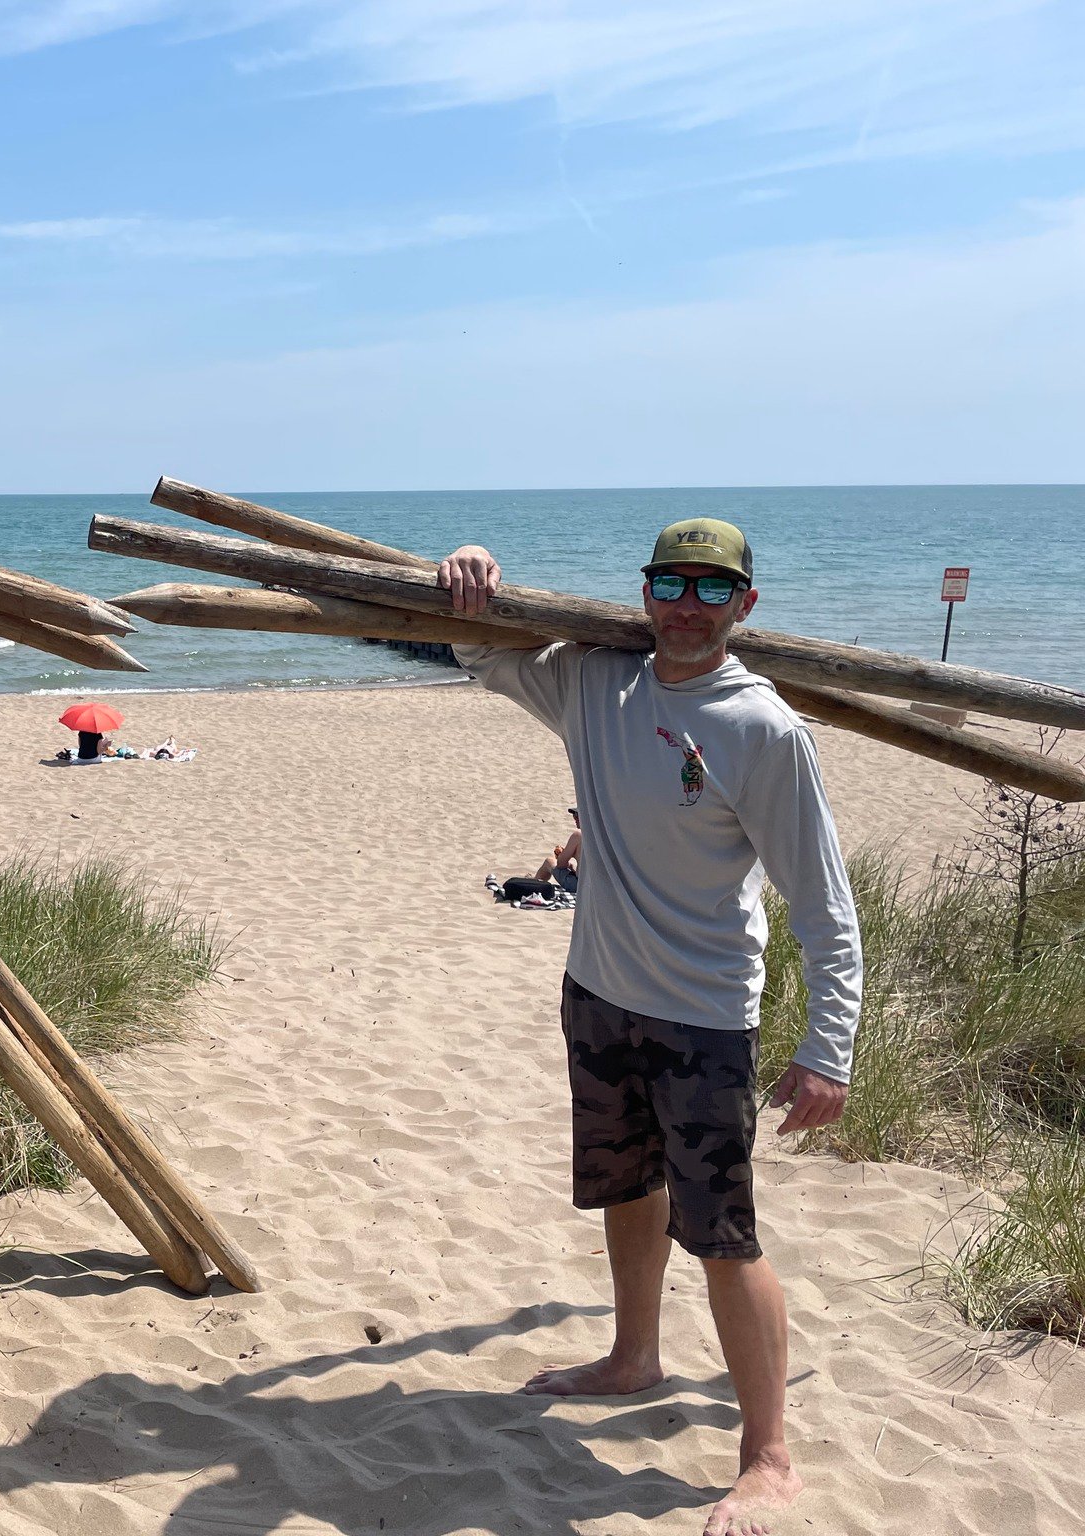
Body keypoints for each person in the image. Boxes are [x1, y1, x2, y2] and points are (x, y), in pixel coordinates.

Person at [439, 518, 861, 1536]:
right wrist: (469, 573)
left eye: (710, 590)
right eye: (668, 583)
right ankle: (633, 1358)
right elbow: (476, 651)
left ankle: (767, 1455)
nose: (684, 605)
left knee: (721, 1233)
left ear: (743, 607)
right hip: (596, 991)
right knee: (624, 1189)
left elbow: (822, 901)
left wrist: (827, 1047)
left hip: (704, 1015)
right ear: (643, 592)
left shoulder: (761, 726)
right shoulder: (593, 682)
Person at [535, 806, 581, 892]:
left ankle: (533, 887)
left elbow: (560, 864)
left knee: (549, 862)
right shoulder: (605, 836)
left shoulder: (578, 835)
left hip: (581, 888)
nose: (574, 818)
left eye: (577, 815)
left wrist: (566, 855)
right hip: (603, 887)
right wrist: (572, 865)